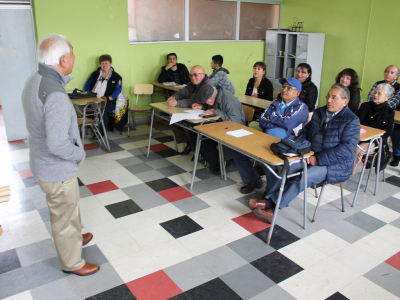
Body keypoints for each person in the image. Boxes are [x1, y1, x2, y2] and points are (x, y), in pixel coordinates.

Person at [21, 34, 99, 276]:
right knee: (63, 218)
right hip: (56, 169)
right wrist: (79, 154)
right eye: (73, 53)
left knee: (69, 208)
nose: (75, 57)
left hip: (45, 163)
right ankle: (73, 262)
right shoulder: (54, 94)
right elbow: (57, 144)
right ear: (63, 60)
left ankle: (75, 237)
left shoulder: (35, 79)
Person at [249, 84, 360, 223]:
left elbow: (346, 149)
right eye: (328, 96)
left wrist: (317, 159)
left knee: (303, 177)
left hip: (334, 164)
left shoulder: (351, 120)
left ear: (345, 101)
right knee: (289, 168)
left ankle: (273, 208)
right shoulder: (320, 112)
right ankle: (268, 202)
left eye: (334, 97)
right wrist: (299, 148)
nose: (329, 100)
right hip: (310, 154)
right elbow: (305, 132)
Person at [233, 77, 309, 193]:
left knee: (267, 159)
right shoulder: (275, 103)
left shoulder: (301, 107)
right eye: (283, 87)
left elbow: (288, 123)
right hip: (264, 138)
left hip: (285, 144)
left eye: (289, 88)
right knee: (238, 149)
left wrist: (272, 117)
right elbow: (262, 121)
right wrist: (280, 122)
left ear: (297, 93)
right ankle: (253, 179)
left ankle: (272, 192)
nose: (284, 90)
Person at [188, 84, 245, 174]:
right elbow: (212, 106)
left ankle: (221, 161)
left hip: (233, 129)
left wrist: (216, 111)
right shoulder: (215, 96)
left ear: (211, 97)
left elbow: (235, 122)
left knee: (203, 138)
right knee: (194, 133)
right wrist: (203, 107)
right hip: (220, 124)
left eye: (205, 102)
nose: (204, 103)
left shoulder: (228, 100)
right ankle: (215, 160)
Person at [166, 65, 210, 155]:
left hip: (205, 114)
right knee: (174, 122)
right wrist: (173, 97)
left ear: (203, 75)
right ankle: (189, 144)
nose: (193, 78)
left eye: (195, 75)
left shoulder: (207, 86)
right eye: (191, 75)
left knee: (188, 126)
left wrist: (177, 103)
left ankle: (198, 151)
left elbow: (197, 101)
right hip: (191, 111)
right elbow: (182, 92)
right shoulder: (192, 83)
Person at [352, 83, 394, 175]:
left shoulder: (389, 112)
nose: (375, 95)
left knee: (357, 150)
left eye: (379, 94)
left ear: (387, 98)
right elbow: (355, 121)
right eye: (375, 92)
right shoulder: (365, 106)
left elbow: (388, 132)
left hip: (374, 140)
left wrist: (373, 139)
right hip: (359, 136)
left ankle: (350, 173)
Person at [85, 54, 122, 135]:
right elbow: (87, 85)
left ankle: (102, 131)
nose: (104, 65)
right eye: (102, 63)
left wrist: (110, 98)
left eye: (106, 63)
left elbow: (118, 89)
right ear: (100, 64)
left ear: (110, 63)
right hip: (94, 99)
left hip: (108, 102)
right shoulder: (95, 74)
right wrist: (88, 95)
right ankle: (91, 128)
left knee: (101, 111)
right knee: (87, 109)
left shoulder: (116, 77)